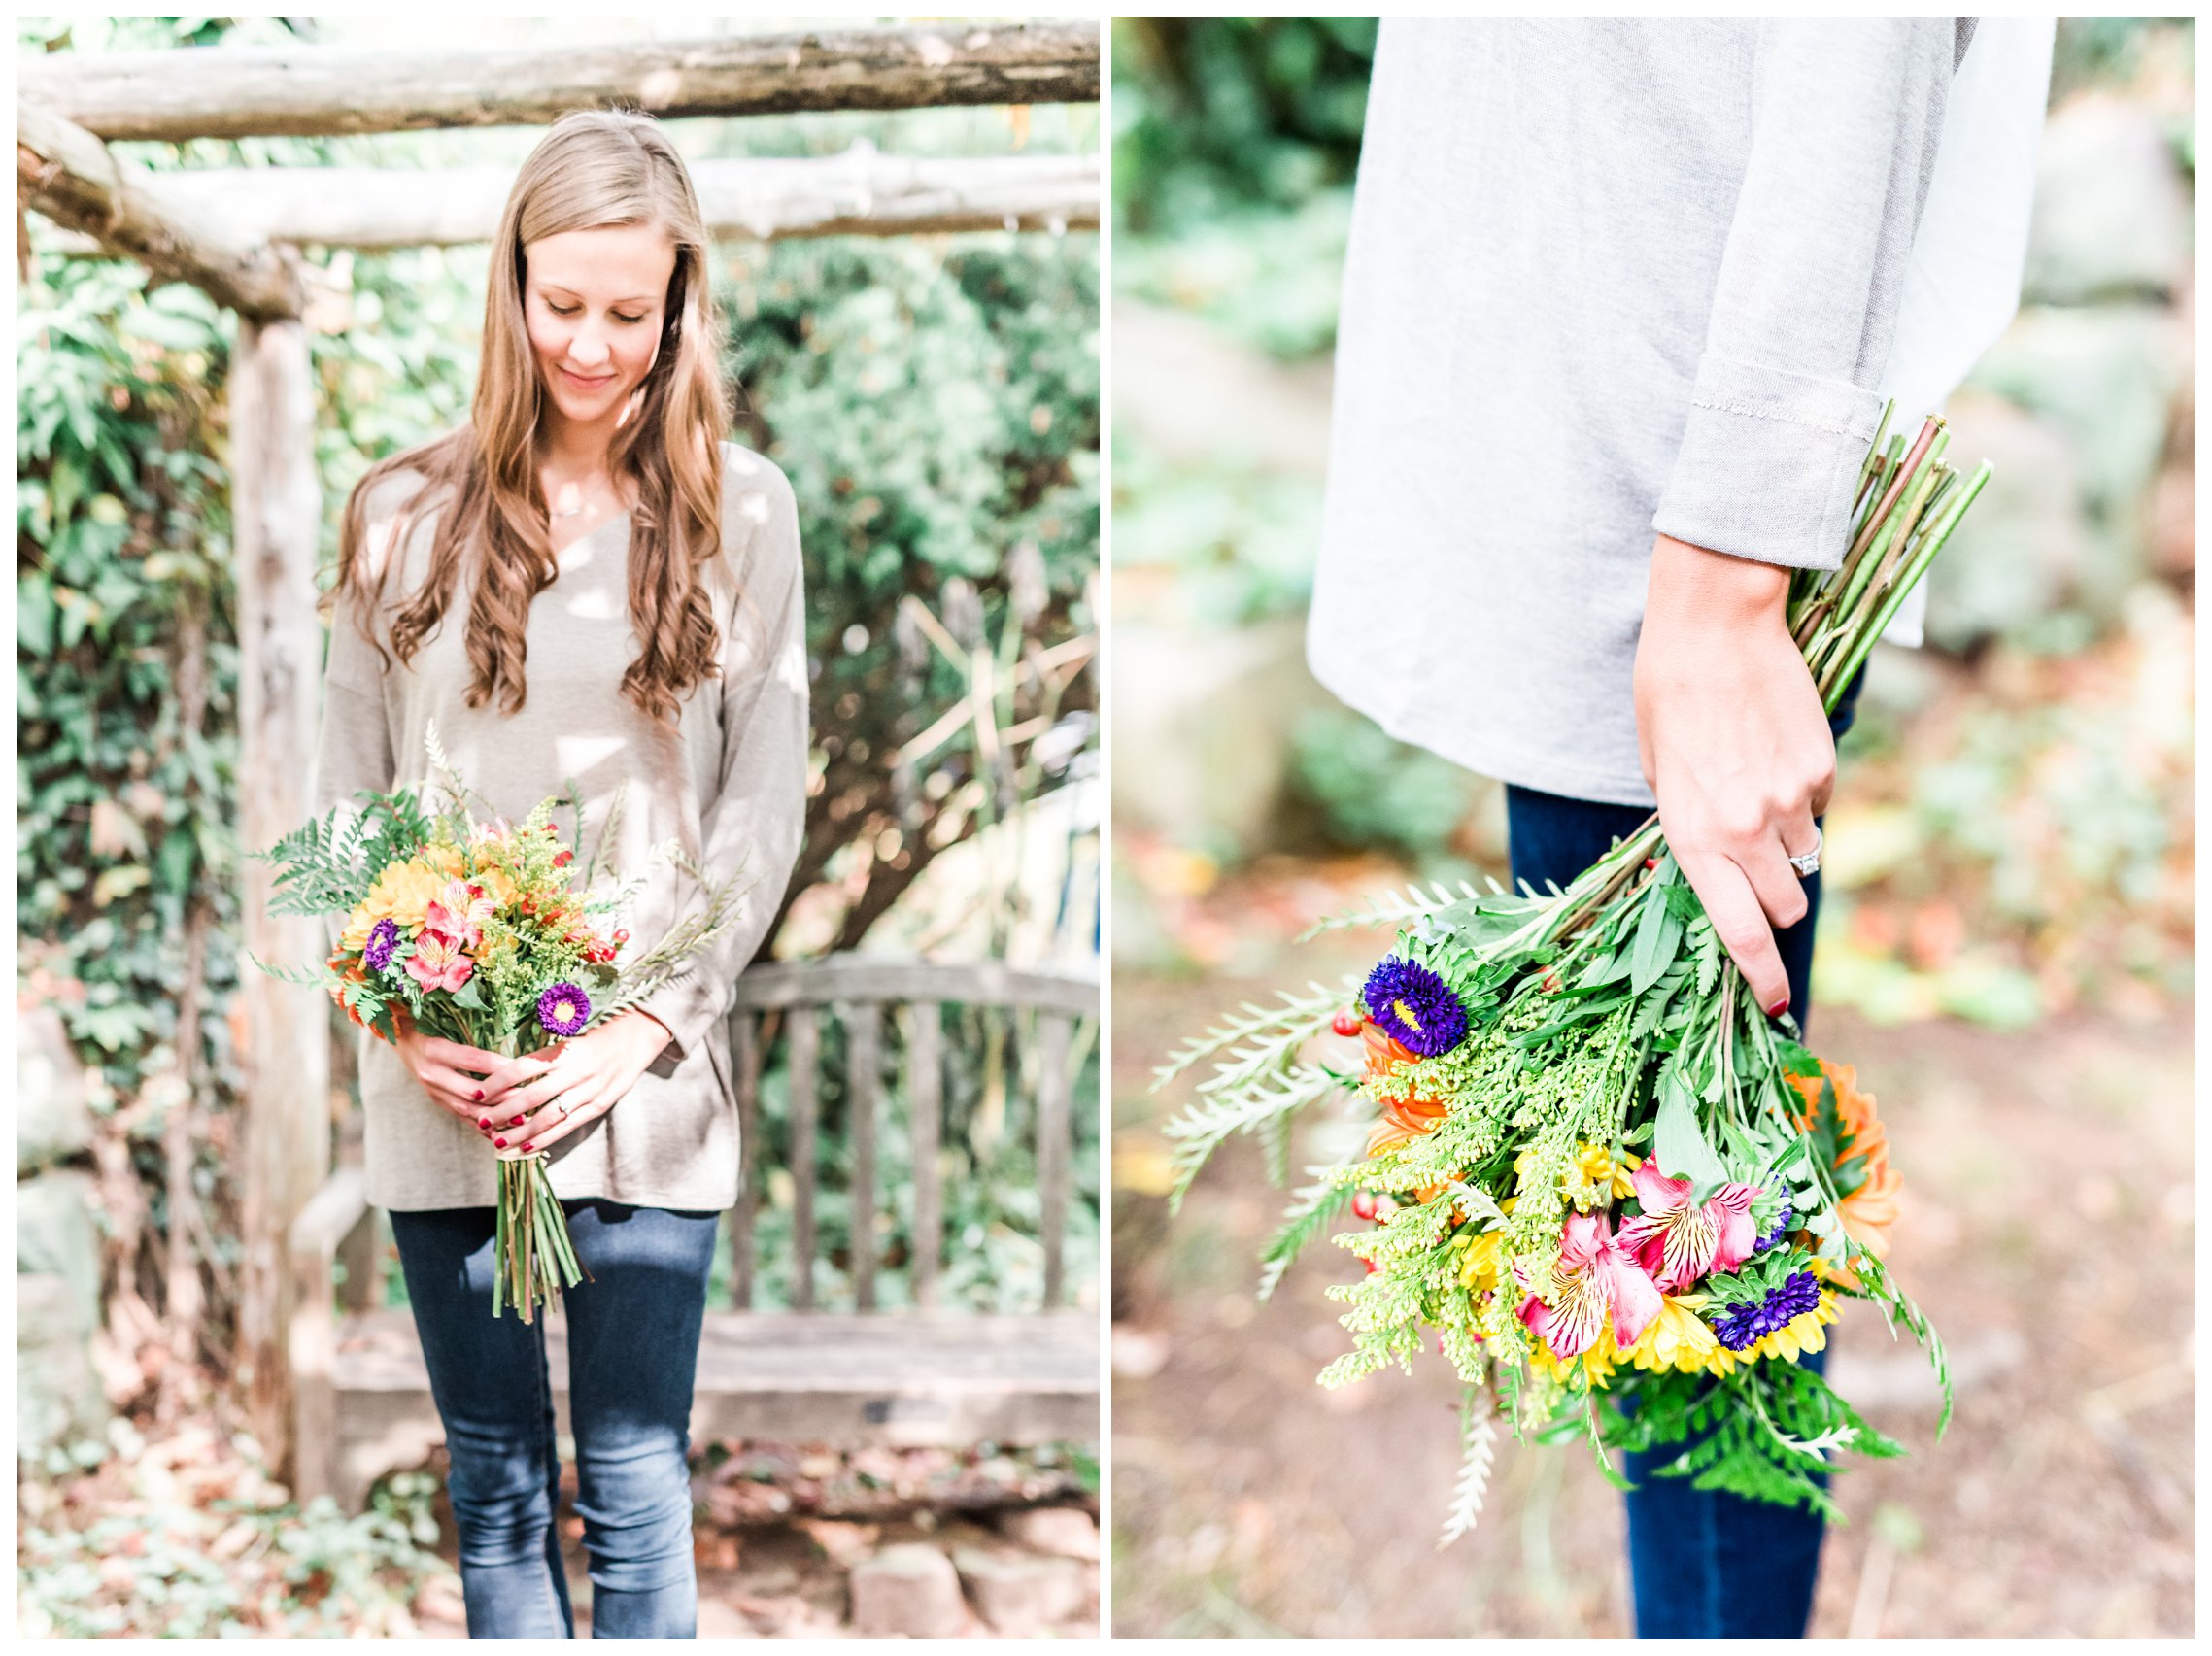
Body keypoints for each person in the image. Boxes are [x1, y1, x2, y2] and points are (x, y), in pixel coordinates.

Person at [1308, 17, 2048, 1639]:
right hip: (1606, 416)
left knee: (1682, 1226)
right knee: (1654, 1213)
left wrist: (1726, 565)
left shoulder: (1703, 562)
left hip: (1672, 501)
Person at [314, 111, 808, 1639]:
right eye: (560, 301)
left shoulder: (742, 511)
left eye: (627, 309)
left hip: (645, 1082)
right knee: (495, 1488)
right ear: (509, 286)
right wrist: (397, 1017)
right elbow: (345, 809)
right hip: (448, 1074)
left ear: (678, 306)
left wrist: (639, 1026)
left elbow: (760, 806)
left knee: (640, 1483)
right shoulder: (399, 515)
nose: (590, 343)